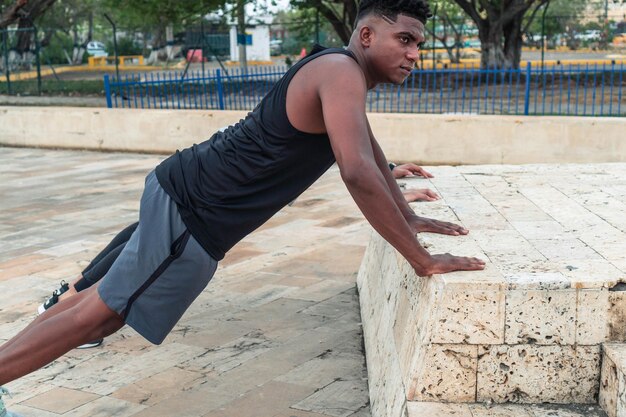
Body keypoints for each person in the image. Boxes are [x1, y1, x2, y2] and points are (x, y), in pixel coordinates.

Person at [0, 0, 485, 412]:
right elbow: (356, 170)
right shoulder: (341, 72)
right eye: (404, 40)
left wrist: (407, 210)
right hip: (194, 213)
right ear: (365, 34)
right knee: (100, 315)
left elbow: (366, 147)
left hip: (187, 198)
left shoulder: (339, 69)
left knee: (95, 305)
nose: (414, 54)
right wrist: (420, 258)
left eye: (418, 44)